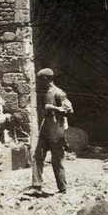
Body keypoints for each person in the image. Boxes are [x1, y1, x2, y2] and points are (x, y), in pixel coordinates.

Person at [25, 68, 73, 196]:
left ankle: (62, 189)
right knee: (37, 156)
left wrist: (55, 108)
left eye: (40, 79)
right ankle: (36, 185)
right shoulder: (45, 92)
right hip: (45, 129)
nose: (39, 82)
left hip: (56, 131)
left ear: (46, 79)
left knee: (57, 160)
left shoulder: (59, 93)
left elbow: (68, 110)